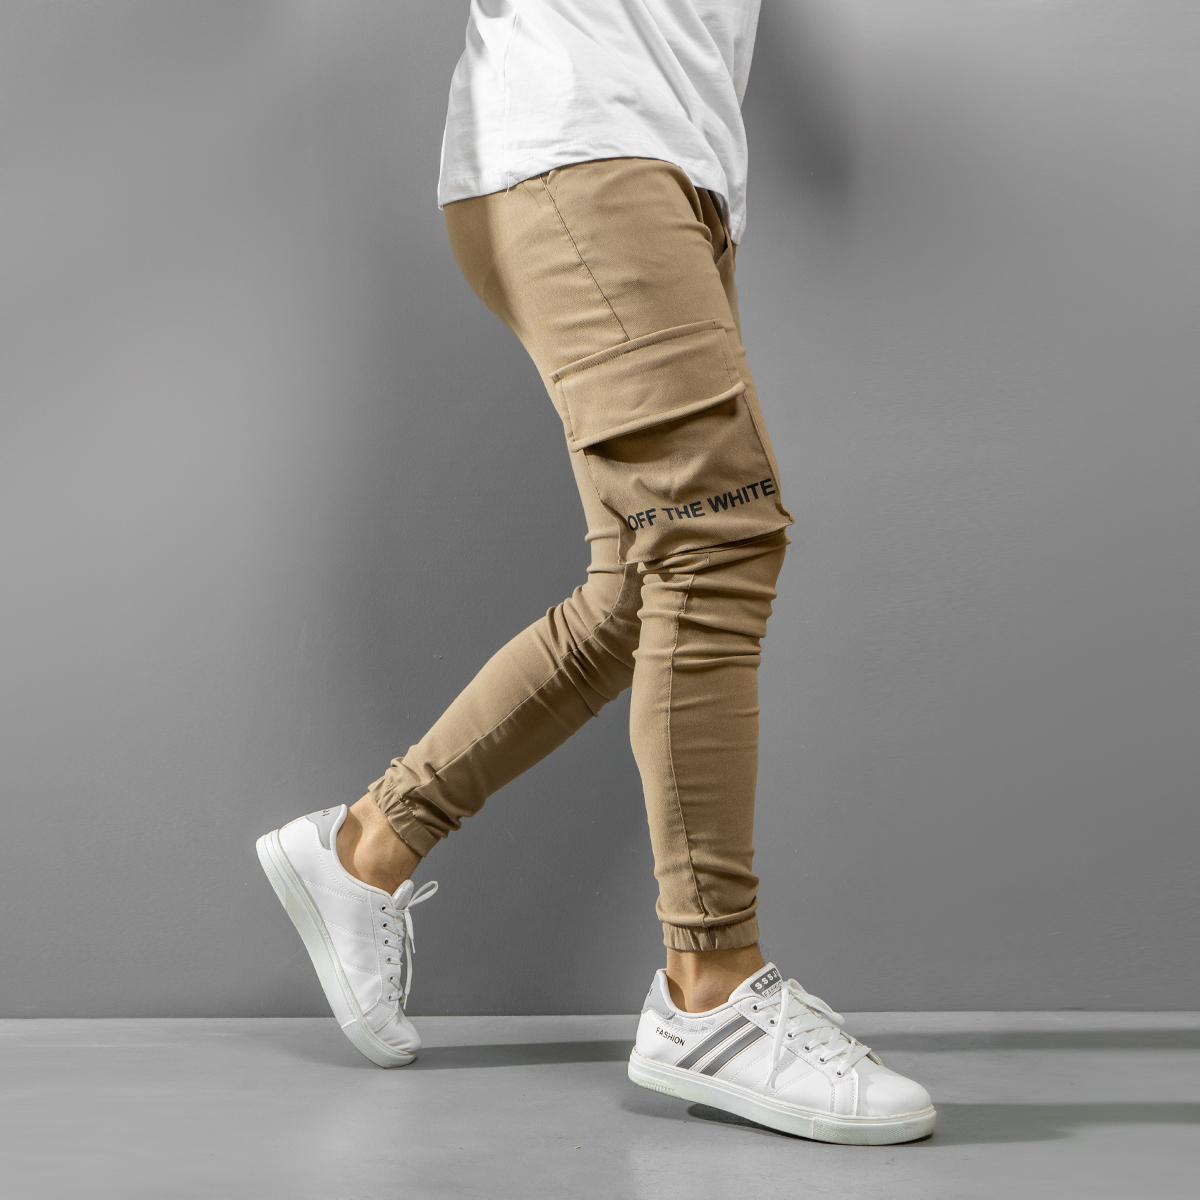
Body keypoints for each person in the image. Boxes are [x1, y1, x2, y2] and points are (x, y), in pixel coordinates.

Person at [256, 0, 935, 1145]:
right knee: (714, 548)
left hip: (668, 163)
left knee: (639, 589)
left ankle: (367, 846)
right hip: (588, 148)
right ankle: (710, 992)